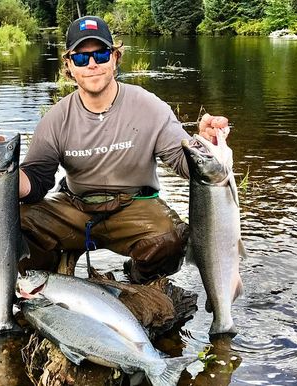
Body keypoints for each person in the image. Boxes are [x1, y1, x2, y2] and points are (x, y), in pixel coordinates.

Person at [17, 16, 229, 284]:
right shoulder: (56, 119)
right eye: (81, 58)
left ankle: (139, 282)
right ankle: (46, 283)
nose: (92, 64)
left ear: (115, 58)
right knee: (16, 222)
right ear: (69, 66)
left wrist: (206, 143)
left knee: (173, 239)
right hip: (74, 208)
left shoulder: (148, 106)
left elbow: (184, 162)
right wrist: (6, 178)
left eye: (101, 55)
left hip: (134, 207)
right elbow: (37, 180)